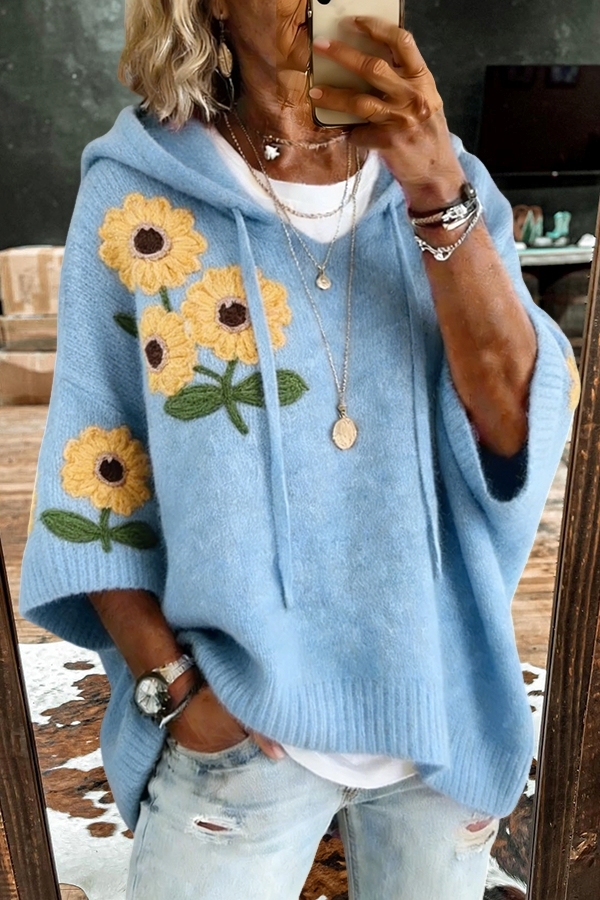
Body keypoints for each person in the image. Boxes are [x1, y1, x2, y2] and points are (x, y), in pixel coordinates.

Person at [19, 0, 580, 898]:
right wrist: (173, 691)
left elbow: (514, 426)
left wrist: (436, 188)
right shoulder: (137, 196)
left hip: (441, 718)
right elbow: (95, 470)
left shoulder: (449, 183)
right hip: (240, 728)